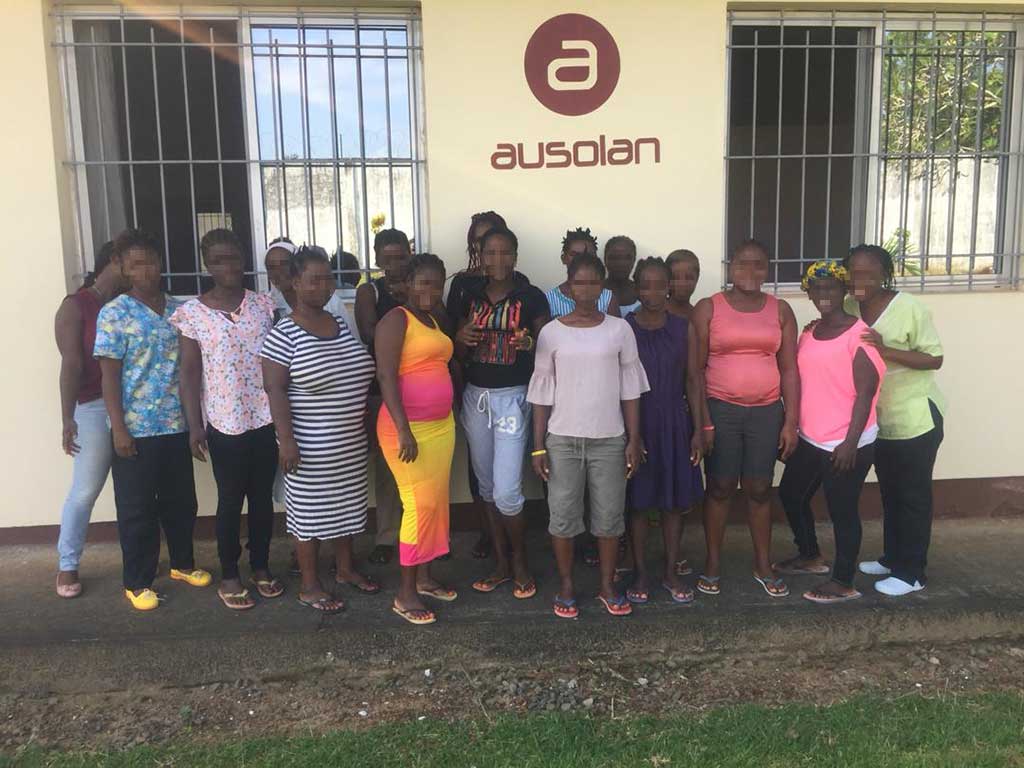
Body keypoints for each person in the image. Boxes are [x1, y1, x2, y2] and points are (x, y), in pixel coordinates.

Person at [94, 229, 211, 611]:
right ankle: (138, 580)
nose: (146, 270)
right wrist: (119, 428)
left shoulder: (180, 309)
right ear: (124, 268)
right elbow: (109, 376)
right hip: (136, 430)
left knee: (181, 502)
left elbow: (193, 368)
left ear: (161, 263)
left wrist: (196, 423)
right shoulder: (114, 313)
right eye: (136, 263)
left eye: (151, 261)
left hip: (176, 424)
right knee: (137, 508)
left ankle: (182, 564)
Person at [528, 252, 649, 619]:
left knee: (610, 518)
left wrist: (633, 438)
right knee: (563, 517)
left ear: (602, 286)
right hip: (562, 439)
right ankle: (566, 585)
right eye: (579, 282)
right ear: (569, 285)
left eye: (593, 282)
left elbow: (630, 387)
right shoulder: (551, 333)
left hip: (609, 439)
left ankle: (607, 585)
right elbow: (541, 392)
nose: (586, 289)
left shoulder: (619, 329)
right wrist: (537, 448)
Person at [261, 246, 378, 614]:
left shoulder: (340, 324)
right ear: (295, 283)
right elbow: (274, 389)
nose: (324, 286)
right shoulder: (283, 334)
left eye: (328, 278)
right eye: (315, 279)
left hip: (348, 443)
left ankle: (345, 569)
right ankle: (310, 585)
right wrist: (287, 441)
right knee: (309, 516)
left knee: (346, 508)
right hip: (308, 446)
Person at [172, 229, 282, 611]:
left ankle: (262, 566)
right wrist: (194, 425)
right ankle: (230, 572)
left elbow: (280, 362)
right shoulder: (192, 314)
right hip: (224, 422)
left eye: (233, 257)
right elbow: (188, 373)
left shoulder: (264, 306)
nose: (228, 266)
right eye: (218, 260)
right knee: (231, 500)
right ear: (208, 265)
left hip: (265, 417)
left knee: (263, 499)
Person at [692, 238, 799, 598]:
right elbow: (695, 370)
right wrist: (704, 422)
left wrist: (791, 421)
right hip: (721, 408)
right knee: (720, 487)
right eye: (742, 264)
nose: (750, 272)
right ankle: (712, 564)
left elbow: (790, 371)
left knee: (758, 488)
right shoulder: (709, 308)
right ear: (729, 267)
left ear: (767, 269)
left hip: (767, 412)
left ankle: (762, 564)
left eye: (759, 265)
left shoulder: (781, 310)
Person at [775, 261, 885, 604]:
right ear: (809, 293)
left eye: (831, 288)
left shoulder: (859, 335)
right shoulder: (810, 332)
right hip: (811, 437)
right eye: (817, 289)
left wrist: (850, 443)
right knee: (792, 495)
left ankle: (843, 581)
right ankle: (809, 556)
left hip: (846, 442)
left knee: (842, 511)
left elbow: (866, 392)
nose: (824, 295)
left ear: (844, 292)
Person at [453, 227, 549, 599]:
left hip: (513, 398)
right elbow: (457, 353)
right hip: (477, 399)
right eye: (490, 252)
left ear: (515, 254)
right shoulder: (468, 295)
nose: (498, 260)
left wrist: (529, 342)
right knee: (488, 489)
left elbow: (547, 346)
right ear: (481, 254)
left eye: (505, 252)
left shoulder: (531, 296)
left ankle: (521, 563)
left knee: (508, 491)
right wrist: (460, 340)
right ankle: (501, 564)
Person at [844, 245, 945, 597]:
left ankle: (912, 572)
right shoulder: (849, 306)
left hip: (915, 416)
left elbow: (934, 358)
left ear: (884, 274)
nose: (860, 279)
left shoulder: (910, 308)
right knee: (890, 492)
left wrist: (884, 349)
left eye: (869, 273)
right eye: (853, 272)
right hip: (879, 419)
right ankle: (892, 558)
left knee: (912, 495)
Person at [375, 253, 458, 626]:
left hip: (441, 427)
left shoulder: (433, 319)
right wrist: (404, 428)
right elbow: (386, 377)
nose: (430, 289)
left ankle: (424, 578)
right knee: (418, 505)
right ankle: (405, 593)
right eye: (423, 282)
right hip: (405, 430)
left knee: (436, 504)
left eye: (437, 283)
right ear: (407, 284)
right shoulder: (396, 320)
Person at [624, 258, 704, 606]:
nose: (652, 293)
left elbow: (693, 380)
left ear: (669, 285)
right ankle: (640, 571)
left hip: (674, 422)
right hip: (637, 421)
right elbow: (620, 383)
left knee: (673, 503)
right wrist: (631, 434)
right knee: (639, 503)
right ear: (636, 286)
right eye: (645, 285)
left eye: (659, 285)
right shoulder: (624, 328)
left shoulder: (683, 327)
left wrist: (700, 429)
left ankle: (671, 571)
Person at [54, 241, 123, 598]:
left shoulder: (130, 301)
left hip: (133, 406)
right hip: (94, 406)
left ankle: (139, 557)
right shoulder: (76, 305)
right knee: (85, 490)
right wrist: (68, 418)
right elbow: (71, 364)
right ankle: (67, 563)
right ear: (113, 261)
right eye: (130, 262)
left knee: (136, 490)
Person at [446, 211, 509, 562]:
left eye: (494, 239)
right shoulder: (461, 284)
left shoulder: (520, 282)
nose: (487, 248)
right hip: (473, 384)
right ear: (475, 245)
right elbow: (452, 336)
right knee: (479, 467)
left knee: (507, 467)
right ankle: (488, 533)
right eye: (480, 240)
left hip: (508, 388)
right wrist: (461, 339)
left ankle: (508, 533)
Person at [354, 228, 413, 566]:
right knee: (390, 468)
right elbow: (370, 334)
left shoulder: (422, 285)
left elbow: (439, 327)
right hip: (383, 391)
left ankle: (430, 533)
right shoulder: (369, 291)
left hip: (423, 388)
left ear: (409, 254)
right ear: (376, 259)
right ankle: (388, 536)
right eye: (387, 259)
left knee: (427, 465)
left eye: (400, 257)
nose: (394, 265)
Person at [665, 248, 703, 577]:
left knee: (680, 489)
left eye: (689, 275)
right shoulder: (649, 312)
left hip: (683, 411)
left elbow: (696, 374)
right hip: (649, 409)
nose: (682, 282)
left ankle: (672, 554)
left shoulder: (697, 316)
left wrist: (701, 425)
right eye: (675, 275)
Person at [266, 238, 357, 337]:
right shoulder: (268, 306)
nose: (278, 272)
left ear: (296, 267)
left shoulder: (332, 302)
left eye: (284, 264)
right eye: (271, 267)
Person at [545, 228, 621, 319]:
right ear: (563, 258)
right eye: (574, 255)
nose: (581, 260)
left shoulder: (608, 299)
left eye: (588, 255)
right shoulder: (549, 299)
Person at [604, 236, 640, 315]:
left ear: (634, 260)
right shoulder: (593, 291)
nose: (621, 263)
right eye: (614, 258)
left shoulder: (643, 292)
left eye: (627, 258)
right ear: (605, 259)